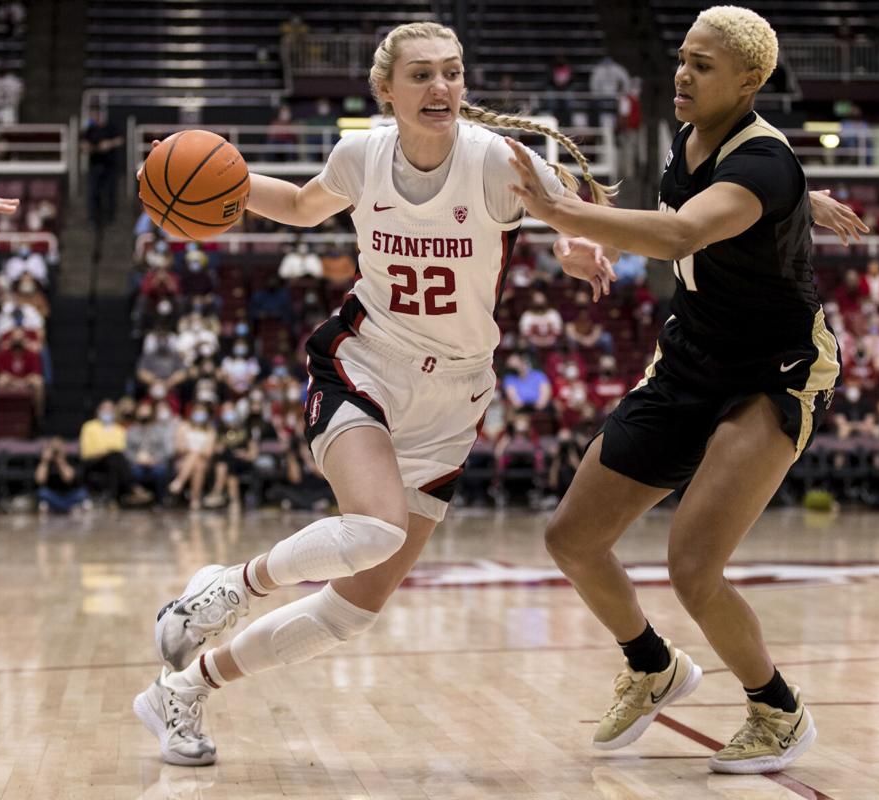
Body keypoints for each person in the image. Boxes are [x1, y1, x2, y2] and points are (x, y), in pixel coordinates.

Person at [131, 20, 618, 768]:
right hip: (365, 363)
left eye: (453, 72)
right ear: (384, 90)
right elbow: (298, 206)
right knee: (376, 528)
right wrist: (202, 177)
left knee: (352, 611)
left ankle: (182, 691)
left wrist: (578, 248)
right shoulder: (360, 154)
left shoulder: (499, 162)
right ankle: (226, 590)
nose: (443, 88)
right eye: (422, 74)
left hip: (456, 397)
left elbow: (564, 220)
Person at [505, 6, 867, 774]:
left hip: (771, 371)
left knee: (693, 567)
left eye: (702, 65)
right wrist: (805, 204)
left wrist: (563, 212)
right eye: (682, 58)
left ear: (750, 79)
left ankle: (777, 711)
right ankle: (652, 665)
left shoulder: (765, 163)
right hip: (690, 360)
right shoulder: (691, 137)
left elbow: (680, 235)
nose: (682, 73)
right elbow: (723, 200)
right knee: (572, 538)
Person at [81, 107, 124, 227]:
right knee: (93, 192)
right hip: (95, 165)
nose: (94, 118)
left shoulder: (111, 127)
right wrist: (87, 147)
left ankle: (111, 218)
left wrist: (109, 144)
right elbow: (83, 144)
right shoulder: (90, 129)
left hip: (110, 165)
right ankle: (93, 219)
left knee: (110, 192)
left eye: (96, 115)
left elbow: (120, 139)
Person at [35, 437, 89, 514]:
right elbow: (40, 480)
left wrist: (61, 461)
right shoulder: (46, 463)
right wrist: (44, 461)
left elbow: (68, 478)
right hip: (54, 495)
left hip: (70, 494)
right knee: (42, 492)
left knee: (82, 492)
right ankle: (58, 507)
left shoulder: (70, 460)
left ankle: (69, 506)